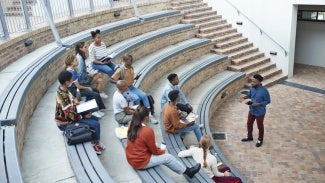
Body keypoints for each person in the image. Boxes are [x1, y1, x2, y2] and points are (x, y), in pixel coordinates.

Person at [125, 106, 201, 178]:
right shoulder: (147, 131)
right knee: (168, 157)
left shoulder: (131, 124)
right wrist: (162, 151)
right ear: (146, 117)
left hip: (131, 158)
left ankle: (186, 170)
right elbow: (155, 151)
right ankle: (188, 172)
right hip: (140, 162)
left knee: (156, 145)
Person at [55, 71, 105, 155]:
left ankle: (95, 141)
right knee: (95, 124)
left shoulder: (63, 89)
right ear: (67, 82)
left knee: (94, 118)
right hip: (65, 122)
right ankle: (95, 143)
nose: (73, 81)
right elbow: (70, 115)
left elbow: (73, 102)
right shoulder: (63, 98)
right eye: (71, 80)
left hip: (73, 115)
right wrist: (82, 116)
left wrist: (83, 109)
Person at [111, 54, 157, 124]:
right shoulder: (120, 70)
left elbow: (130, 78)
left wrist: (135, 78)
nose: (132, 61)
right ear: (125, 61)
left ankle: (149, 115)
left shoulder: (131, 67)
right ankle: (138, 115)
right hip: (125, 89)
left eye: (132, 60)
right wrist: (120, 83)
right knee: (136, 98)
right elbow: (111, 80)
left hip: (132, 87)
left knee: (144, 96)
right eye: (130, 60)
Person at [240, 74, 271, 147]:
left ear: (259, 82)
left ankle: (260, 139)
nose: (252, 83)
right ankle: (249, 137)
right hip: (252, 110)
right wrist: (244, 98)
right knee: (249, 123)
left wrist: (259, 104)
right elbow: (250, 95)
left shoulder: (264, 91)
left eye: (254, 82)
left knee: (260, 126)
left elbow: (268, 101)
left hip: (260, 112)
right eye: (252, 81)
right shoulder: (252, 88)